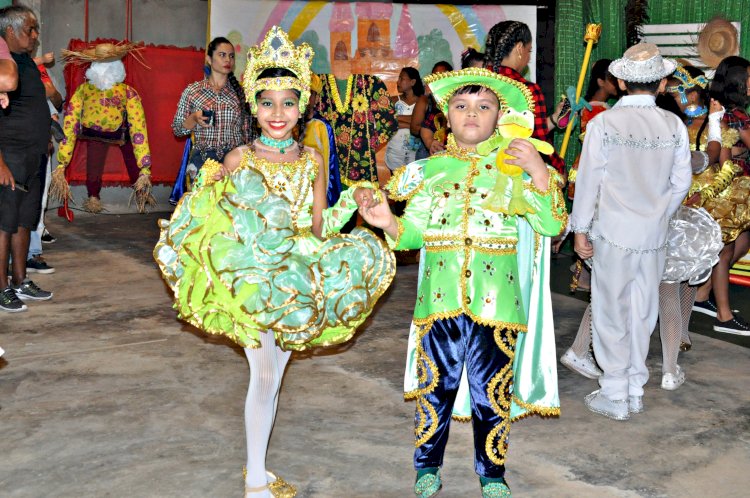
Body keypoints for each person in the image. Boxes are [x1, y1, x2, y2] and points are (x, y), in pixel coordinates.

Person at [153, 27, 396, 497]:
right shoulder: (239, 158)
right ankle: (256, 481)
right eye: (267, 103)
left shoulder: (314, 159)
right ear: (253, 106)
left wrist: (359, 204)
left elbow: (320, 226)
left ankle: (258, 473)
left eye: (288, 102)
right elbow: (214, 219)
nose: (278, 113)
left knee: (275, 374)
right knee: (264, 376)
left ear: (302, 104)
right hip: (253, 277)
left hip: (297, 278)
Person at [357, 67, 567, 497]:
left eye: (483, 106)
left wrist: (539, 172)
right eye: (461, 106)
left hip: (499, 304)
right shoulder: (431, 171)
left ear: (498, 116)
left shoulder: (516, 168)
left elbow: (550, 225)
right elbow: (413, 232)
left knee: (493, 397)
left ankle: (492, 473)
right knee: (434, 390)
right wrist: (388, 223)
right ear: (446, 116)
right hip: (440, 301)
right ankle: (426, 467)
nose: (472, 114)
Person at [571, 43, 692, 420]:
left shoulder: (603, 124)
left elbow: (588, 183)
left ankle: (615, 393)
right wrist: (658, 214)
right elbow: (681, 182)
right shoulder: (673, 124)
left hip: (612, 232)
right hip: (652, 235)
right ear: (662, 85)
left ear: (621, 82)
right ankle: (635, 390)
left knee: (610, 311)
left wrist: (580, 230)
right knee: (644, 310)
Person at [52, 42, 154, 213]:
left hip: (119, 132)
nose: (104, 70)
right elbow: (70, 123)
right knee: (94, 162)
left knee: (130, 156)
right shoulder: (84, 90)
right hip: (94, 133)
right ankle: (94, 197)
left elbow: (138, 127)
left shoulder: (127, 92)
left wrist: (145, 165)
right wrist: (63, 161)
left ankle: (141, 190)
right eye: (101, 65)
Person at [0, 5, 53, 313]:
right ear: (10, 31)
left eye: (36, 30)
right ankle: (2, 286)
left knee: (24, 220)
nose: (35, 35)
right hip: (11, 155)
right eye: (30, 29)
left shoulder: (26, 63)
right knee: (4, 223)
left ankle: (20, 280)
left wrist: (44, 135)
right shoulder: (5, 66)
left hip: (33, 155)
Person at [693, 55, 750, 335]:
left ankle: (702, 294)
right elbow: (722, 156)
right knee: (724, 249)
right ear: (738, 81)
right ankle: (724, 317)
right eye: (749, 77)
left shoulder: (726, 110)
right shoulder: (732, 113)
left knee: (737, 243)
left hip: (731, 189)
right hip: (724, 190)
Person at [169, 36, 254, 204]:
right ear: (209, 59)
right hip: (202, 160)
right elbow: (177, 129)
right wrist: (193, 118)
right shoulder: (193, 91)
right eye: (222, 55)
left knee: (231, 212)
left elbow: (249, 135)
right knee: (204, 211)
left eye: (231, 56)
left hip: (234, 161)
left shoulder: (241, 93)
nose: (227, 60)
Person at [484, 20, 566, 176]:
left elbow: (522, 129)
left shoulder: (473, 82)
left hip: (480, 170)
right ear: (519, 48)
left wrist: (555, 119)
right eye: (529, 51)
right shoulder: (527, 89)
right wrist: (559, 168)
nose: (528, 58)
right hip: (515, 172)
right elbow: (538, 142)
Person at [301, 73, 342, 207]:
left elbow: (329, 165)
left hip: (315, 190)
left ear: (315, 97)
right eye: (302, 93)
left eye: (310, 94)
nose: (307, 99)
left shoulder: (321, 126)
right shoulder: (288, 123)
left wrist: (326, 199)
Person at [385, 67, 424, 170]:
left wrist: (397, 119)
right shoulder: (393, 101)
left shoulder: (422, 102)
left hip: (415, 156)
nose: (398, 82)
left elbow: (422, 123)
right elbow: (386, 121)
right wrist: (412, 123)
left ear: (412, 82)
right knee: (395, 185)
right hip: (394, 153)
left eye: (401, 79)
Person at [411, 61, 452, 158]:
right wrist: (430, 142)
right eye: (435, 76)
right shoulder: (427, 101)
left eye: (441, 76)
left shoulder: (458, 99)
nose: (437, 80)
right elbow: (419, 128)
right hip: (430, 153)